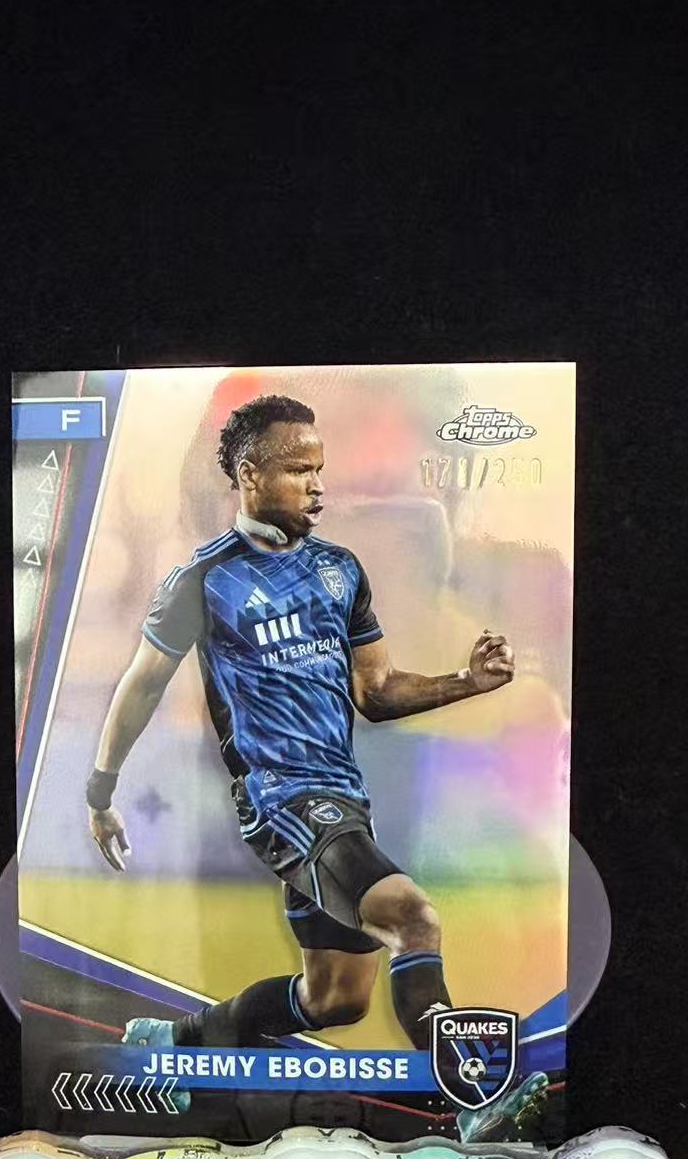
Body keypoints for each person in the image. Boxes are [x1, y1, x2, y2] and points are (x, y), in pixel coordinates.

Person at [86, 393, 516, 1055]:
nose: (316, 486)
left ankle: (174, 1040)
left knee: (335, 998)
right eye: (297, 470)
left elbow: (376, 691)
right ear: (250, 474)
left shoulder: (339, 570)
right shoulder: (203, 579)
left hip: (343, 799)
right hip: (281, 800)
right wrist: (101, 792)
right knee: (414, 918)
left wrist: (467, 681)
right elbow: (142, 685)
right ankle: (468, 1087)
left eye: (319, 470)